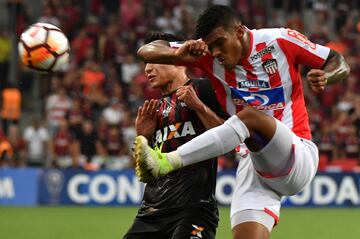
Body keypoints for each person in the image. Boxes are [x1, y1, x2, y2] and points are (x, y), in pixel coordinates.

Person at [134, 5, 350, 239]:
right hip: (254, 166)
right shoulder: (206, 55)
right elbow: (147, 51)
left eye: (220, 43)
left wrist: (327, 75)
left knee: (250, 116)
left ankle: (165, 162)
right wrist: (182, 50)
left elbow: (337, 61)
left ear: (238, 31)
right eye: (211, 47)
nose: (215, 53)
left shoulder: (279, 40)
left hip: (296, 154)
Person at [123, 32, 228, 239]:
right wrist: (142, 137)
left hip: (193, 210)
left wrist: (199, 107)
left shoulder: (203, 88)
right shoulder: (153, 109)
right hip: (151, 213)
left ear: (178, 61)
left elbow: (229, 138)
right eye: (145, 63)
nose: (147, 69)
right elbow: (145, 172)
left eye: (154, 61)